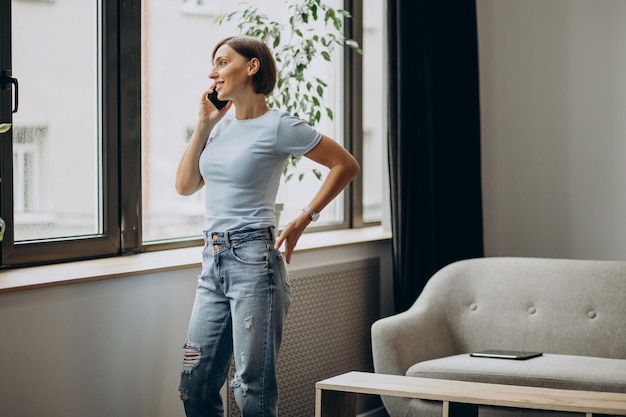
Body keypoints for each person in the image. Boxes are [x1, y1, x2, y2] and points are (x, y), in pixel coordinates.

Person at [175, 35, 360, 417]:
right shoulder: (219, 127)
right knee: (194, 385)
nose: (214, 73)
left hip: (254, 262)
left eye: (223, 62)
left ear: (252, 66)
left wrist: (303, 217)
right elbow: (185, 186)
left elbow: (345, 164)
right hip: (213, 260)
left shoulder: (279, 125)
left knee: (251, 390)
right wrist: (204, 124)